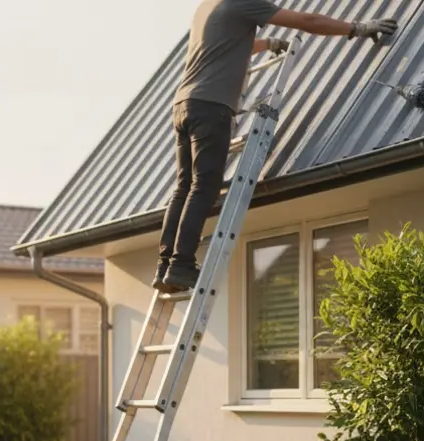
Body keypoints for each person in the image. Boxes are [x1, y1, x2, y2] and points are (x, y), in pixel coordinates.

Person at [154, 1, 399, 292]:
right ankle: (181, 265)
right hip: (211, 106)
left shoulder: (208, 6)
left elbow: (227, 47)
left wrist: (267, 43)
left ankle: (165, 266)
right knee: (205, 186)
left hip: (184, 104)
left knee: (184, 186)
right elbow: (307, 20)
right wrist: (355, 28)